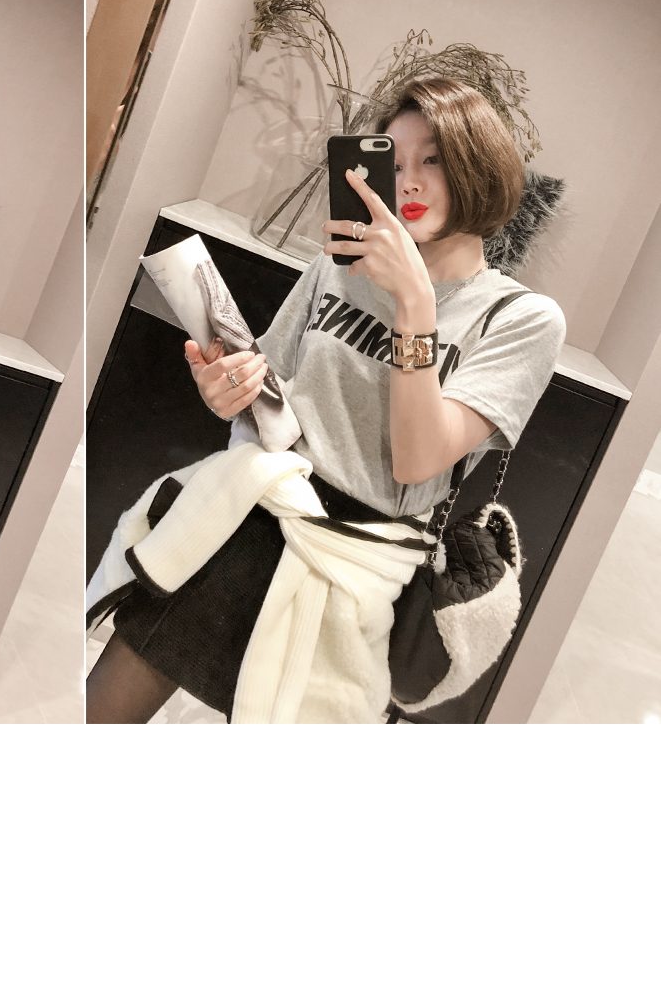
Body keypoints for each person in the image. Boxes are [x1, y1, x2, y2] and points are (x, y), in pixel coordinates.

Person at [86, 76, 566, 723]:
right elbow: (275, 391)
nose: (409, 183)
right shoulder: (338, 263)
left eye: (433, 160)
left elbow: (419, 460)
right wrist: (228, 391)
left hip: (353, 564)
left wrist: (414, 301)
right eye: (393, 164)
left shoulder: (521, 319)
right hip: (247, 516)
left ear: (478, 167)